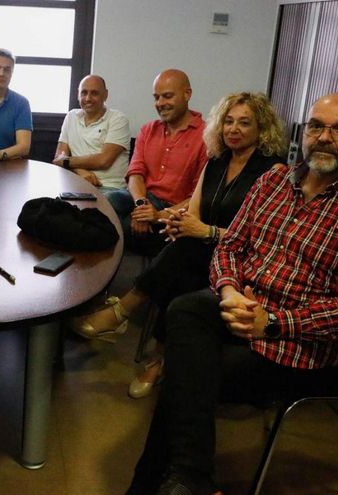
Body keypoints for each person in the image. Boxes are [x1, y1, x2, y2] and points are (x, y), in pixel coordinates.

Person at [126, 93, 338, 495]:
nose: (325, 137)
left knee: (187, 375)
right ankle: (190, 479)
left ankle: (165, 483)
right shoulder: (273, 181)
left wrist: (272, 323)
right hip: (238, 307)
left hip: (296, 344)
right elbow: (230, 247)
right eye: (316, 126)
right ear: (302, 133)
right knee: (186, 309)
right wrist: (229, 291)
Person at [72, 92, 288, 399]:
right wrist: (176, 222)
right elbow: (194, 210)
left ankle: (124, 312)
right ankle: (159, 359)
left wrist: (204, 231)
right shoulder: (217, 161)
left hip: (245, 260)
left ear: (261, 128)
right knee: (181, 259)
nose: (234, 129)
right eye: (228, 121)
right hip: (205, 251)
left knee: (184, 254)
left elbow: (264, 240)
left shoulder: (274, 171)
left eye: (244, 123)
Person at [106, 69, 208, 255]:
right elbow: (135, 174)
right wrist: (141, 206)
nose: (160, 103)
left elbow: (198, 199)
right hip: (144, 198)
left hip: (176, 209)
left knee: (116, 227)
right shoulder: (148, 130)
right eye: (156, 97)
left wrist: (158, 216)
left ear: (187, 94)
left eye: (167, 96)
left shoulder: (207, 137)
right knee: (108, 202)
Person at [53, 74, 131, 213]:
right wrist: (79, 171)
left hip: (111, 189)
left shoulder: (118, 119)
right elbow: (58, 158)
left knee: (89, 211)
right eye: (84, 93)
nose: (88, 98)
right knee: (46, 206)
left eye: (94, 93)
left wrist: (66, 161)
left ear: (105, 95)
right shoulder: (71, 117)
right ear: (78, 94)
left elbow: (104, 160)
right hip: (77, 185)